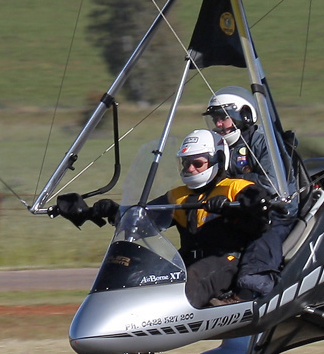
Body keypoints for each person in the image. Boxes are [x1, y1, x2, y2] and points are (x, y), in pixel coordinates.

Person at [52, 129, 273, 308]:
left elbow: (259, 204)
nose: (191, 169)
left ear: (218, 160)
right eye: (186, 163)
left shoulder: (235, 187)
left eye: (197, 163)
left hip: (226, 261)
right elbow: (142, 218)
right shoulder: (178, 195)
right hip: (187, 261)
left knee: (186, 287)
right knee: (142, 281)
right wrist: (106, 210)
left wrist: (233, 207)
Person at [203, 87, 299, 299]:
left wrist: (233, 185)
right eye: (216, 119)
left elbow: (273, 186)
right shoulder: (224, 147)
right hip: (241, 212)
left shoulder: (264, 142)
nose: (218, 124)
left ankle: (258, 294)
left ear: (245, 115)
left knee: (256, 259)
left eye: (223, 118)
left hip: (275, 213)